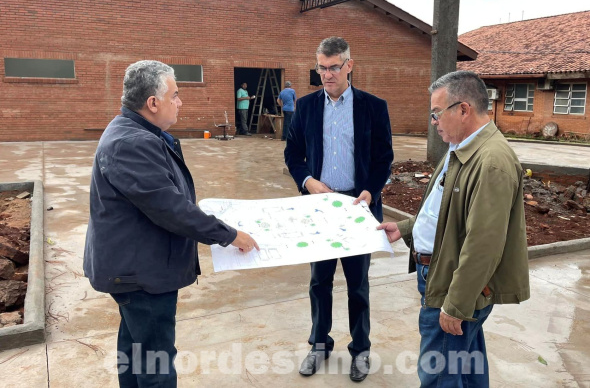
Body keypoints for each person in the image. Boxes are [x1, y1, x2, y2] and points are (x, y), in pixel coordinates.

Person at [84, 60, 259, 388]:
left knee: (135, 349)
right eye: (175, 95)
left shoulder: (139, 131)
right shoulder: (132, 142)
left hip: (134, 267)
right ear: (153, 102)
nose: (180, 102)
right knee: (156, 365)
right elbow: (172, 209)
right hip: (142, 275)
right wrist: (230, 235)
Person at [377, 70, 530, 387]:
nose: (433, 122)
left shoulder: (491, 161)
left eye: (436, 113)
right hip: (444, 276)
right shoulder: (463, 147)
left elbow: (483, 245)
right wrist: (406, 229)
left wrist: (456, 306)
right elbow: (444, 212)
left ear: (463, 109)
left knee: (439, 377)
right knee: (467, 367)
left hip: (451, 286)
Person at [284, 37, 393, 382]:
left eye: (334, 67)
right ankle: (319, 344)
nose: (327, 74)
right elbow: (293, 154)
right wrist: (308, 182)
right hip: (320, 208)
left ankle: (360, 350)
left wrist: (370, 190)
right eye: (322, 67)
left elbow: (383, 158)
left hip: (358, 207)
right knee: (320, 281)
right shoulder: (307, 107)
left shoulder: (373, 107)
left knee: (358, 283)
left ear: (349, 64)